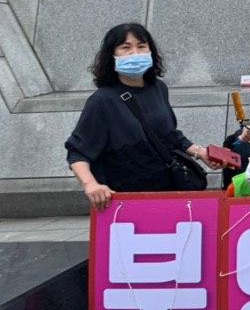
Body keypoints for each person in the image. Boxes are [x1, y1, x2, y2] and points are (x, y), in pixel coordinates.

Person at [66, 23, 219, 210]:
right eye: (125, 47)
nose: (135, 53)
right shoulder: (102, 101)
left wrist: (200, 152)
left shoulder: (158, 89)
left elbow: (170, 135)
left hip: (171, 190)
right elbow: (78, 152)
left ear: (150, 51)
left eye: (141, 46)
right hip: (129, 199)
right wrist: (91, 185)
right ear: (112, 55)